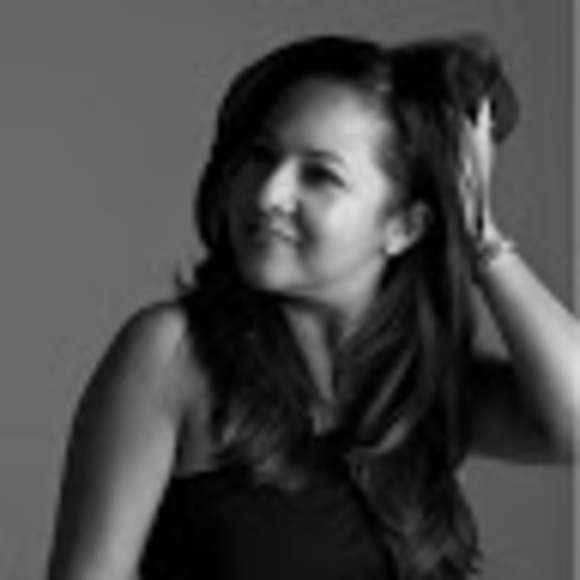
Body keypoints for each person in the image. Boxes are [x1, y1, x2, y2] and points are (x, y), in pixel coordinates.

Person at [47, 34, 578, 580]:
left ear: (405, 226)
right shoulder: (174, 354)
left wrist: (480, 238)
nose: (267, 195)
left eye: (320, 175)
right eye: (261, 156)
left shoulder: (423, 383)